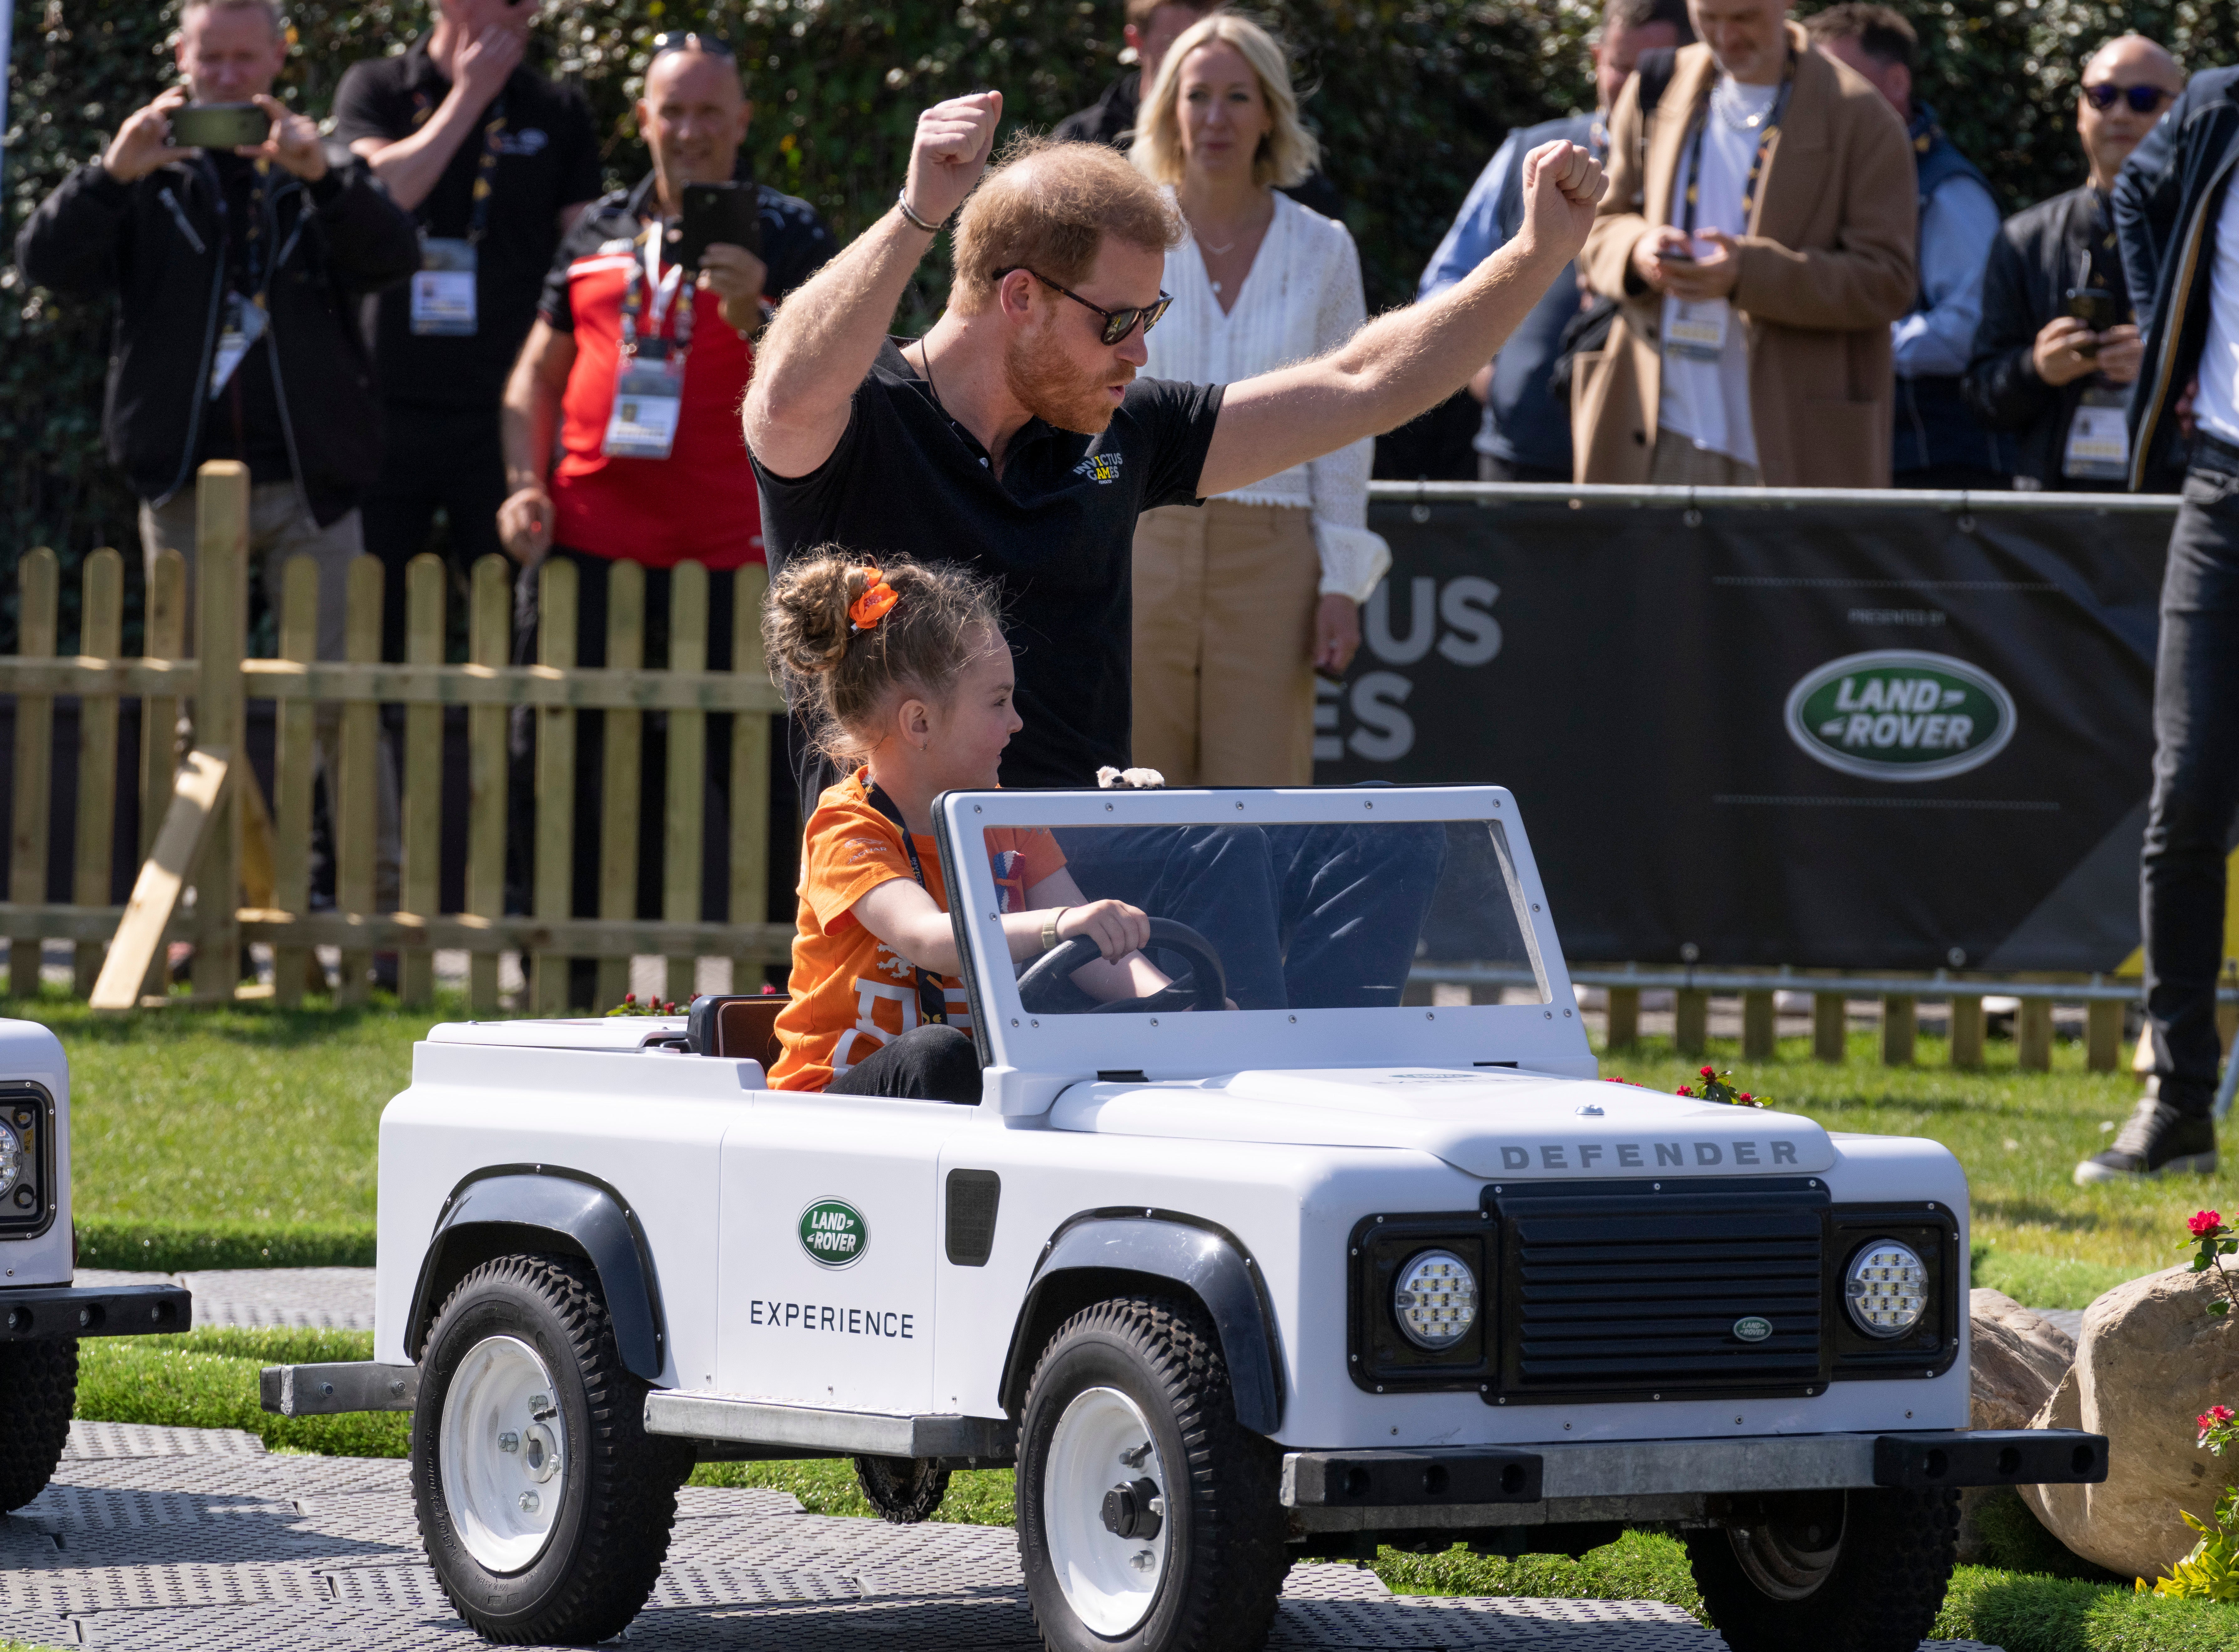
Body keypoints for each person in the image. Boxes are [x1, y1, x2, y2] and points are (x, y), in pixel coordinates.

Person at [743, 96, 1597, 1004]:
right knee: (1217, 846)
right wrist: (919, 212)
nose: (1142, 352)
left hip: (1085, 857)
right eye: (1117, 322)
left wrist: (1536, 253)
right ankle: (1241, 1090)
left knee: (1386, 835)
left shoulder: (1119, 433)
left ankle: (1305, 1083)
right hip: (930, 891)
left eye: (1153, 315)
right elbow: (782, 394)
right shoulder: (854, 422)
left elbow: (1363, 382)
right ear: (1020, 296)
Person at [13, 0, 418, 910]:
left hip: (313, 483)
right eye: (213, 59)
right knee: (188, 708)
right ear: (181, 56)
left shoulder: (319, 163)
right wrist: (112, 175)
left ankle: (370, 912)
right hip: (183, 483)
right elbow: (44, 264)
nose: (229, 80)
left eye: (246, 59)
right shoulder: (143, 171)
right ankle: (198, 913)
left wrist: (322, 177)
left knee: (339, 703)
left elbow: (395, 257)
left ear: (279, 57)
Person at [494, 35, 833, 1000]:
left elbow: (845, 375)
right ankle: (566, 985)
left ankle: (791, 988)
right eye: (671, 112)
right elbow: (535, 376)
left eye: (710, 113)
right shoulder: (595, 228)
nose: (689, 132)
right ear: (642, 118)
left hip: (746, 563)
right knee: (567, 768)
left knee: (774, 782)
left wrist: (755, 309)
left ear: (743, 122)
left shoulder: (792, 232)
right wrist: (524, 481)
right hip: (589, 556)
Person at [764, 552, 1176, 1104]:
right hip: (832, 1106)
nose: (1017, 721)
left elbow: (1098, 960)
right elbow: (929, 939)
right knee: (939, 1053)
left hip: (960, 1092)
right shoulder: (847, 825)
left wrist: (1182, 1008)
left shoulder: (1003, 818)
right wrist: (1063, 923)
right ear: (921, 723)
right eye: (999, 702)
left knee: (1076, 1061)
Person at [1127, 13, 1382, 786]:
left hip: (1274, 559)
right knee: (1131, 794)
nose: (1215, 118)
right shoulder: (1125, 234)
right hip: (1139, 541)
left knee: (1258, 804)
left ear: (1270, 110)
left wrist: (1342, 579)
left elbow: (1347, 417)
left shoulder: (1324, 246)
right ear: (1169, 106)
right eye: (1198, 95)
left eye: (1238, 97)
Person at [333, 0, 601, 663]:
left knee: (515, 619)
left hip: (504, 414)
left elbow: (584, 259)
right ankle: (369, 768)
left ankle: (512, 767)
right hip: (385, 406)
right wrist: (470, 96)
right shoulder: (376, 88)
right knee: (370, 618)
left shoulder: (556, 109)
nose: (530, 10)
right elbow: (377, 199)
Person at [2085, 49, 2237, 1180]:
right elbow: (2136, 191)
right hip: (2224, 486)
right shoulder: (2219, 103)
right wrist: (2166, 340)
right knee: (2186, 794)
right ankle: (2179, 1097)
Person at [1571, 0, 1916, 487]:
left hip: (1789, 450)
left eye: (1745, 17)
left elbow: (1888, 282)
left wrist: (1749, 274)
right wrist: (1637, 250)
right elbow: (1597, 222)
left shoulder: (1861, 116)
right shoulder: (1657, 83)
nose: (1725, 37)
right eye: (1709, 18)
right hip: (1654, 433)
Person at [1418, 0, 1693, 483]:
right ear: (1595, 59)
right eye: (1621, 68)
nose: (1632, 89)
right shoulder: (1533, 153)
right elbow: (1446, 281)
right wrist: (1487, 374)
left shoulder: (1715, 168)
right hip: (1520, 460)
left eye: (1655, 75)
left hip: (1659, 468)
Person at [1964, 35, 2182, 492]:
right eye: (2101, 97)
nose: (2120, 114)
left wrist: (2164, 370)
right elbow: (1982, 398)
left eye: (2143, 100)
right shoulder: (2026, 238)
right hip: (2054, 519)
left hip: (2179, 500)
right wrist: (2037, 368)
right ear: (2081, 113)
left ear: (2180, 114)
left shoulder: (2215, 233)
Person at [1806, 4, 2008, 490]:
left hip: (1935, 471)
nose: (1825, 101)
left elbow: (1968, 328)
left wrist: (1853, 345)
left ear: (1897, 84)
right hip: (1856, 456)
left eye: (1842, 81)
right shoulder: (1828, 176)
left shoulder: (1947, 188)